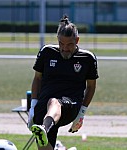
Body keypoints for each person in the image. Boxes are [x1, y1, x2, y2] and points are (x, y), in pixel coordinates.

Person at [28, 15, 99, 150]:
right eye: (61, 44)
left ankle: (44, 128)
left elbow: (91, 86)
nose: (65, 48)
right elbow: (37, 78)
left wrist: (81, 113)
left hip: (70, 105)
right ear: (57, 40)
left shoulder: (87, 58)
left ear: (77, 40)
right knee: (44, 147)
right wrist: (33, 107)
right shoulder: (46, 52)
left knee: (54, 102)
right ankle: (44, 131)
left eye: (69, 44)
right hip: (43, 106)